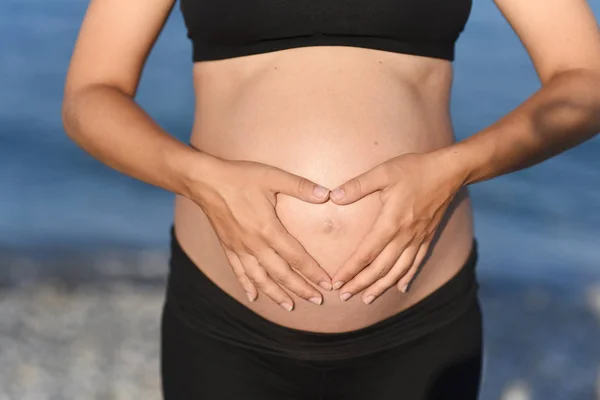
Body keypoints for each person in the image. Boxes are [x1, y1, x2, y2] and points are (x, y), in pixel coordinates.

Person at [61, 0, 600, 398]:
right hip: (224, 322)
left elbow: (585, 78)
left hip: (420, 318)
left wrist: (455, 168)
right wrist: (201, 178)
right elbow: (91, 94)